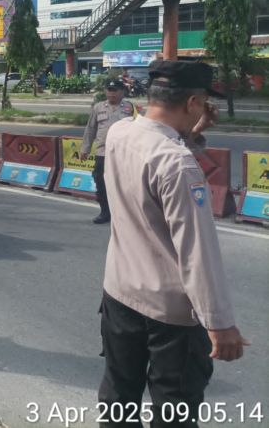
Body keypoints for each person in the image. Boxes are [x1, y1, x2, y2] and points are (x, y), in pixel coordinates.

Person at [97, 60, 248, 427]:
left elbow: (156, 156)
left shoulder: (119, 132)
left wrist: (192, 134)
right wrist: (220, 324)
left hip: (119, 294)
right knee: (174, 409)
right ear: (193, 101)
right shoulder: (178, 164)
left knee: (119, 396)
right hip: (170, 315)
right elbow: (197, 252)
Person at [81, 79, 134, 224]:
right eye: (109, 90)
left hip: (122, 154)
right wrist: (85, 148)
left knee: (122, 185)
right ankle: (105, 212)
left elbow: (136, 130)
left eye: (115, 90)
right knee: (101, 184)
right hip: (102, 154)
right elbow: (90, 129)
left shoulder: (129, 108)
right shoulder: (98, 107)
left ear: (122, 92)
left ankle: (122, 215)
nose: (112, 93)